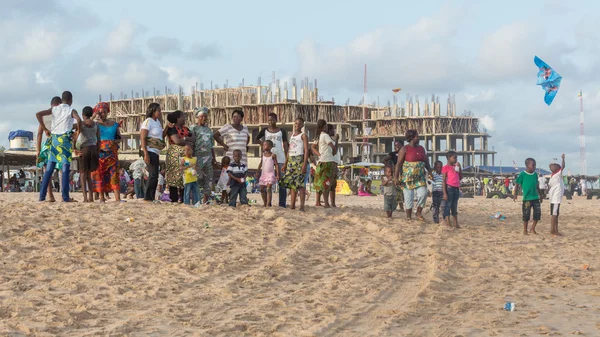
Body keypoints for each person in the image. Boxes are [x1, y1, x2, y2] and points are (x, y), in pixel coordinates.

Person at [36, 91, 82, 202]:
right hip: (65, 140)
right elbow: (79, 119)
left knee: (49, 169)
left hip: (55, 139)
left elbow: (38, 114)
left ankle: (42, 196)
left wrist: (45, 128)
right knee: (65, 167)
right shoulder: (71, 110)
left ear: (62, 100)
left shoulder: (54, 109)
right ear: (71, 100)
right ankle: (65, 197)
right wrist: (78, 132)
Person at [394, 129, 432, 221]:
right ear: (411, 138)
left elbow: (426, 161)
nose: (418, 138)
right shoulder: (404, 149)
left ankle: (418, 212)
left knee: (423, 194)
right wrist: (396, 177)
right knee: (408, 197)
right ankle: (408, 216)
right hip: (407, 177)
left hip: (420, 177)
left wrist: (430, 171)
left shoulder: (421, 148)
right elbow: (399, 164)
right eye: (416, 136)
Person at [91, 102, 122, 203]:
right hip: (99, 153)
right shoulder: (95, 125)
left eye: (103, 112)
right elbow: (86, 124)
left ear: (107, 112)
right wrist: (94, 116)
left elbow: (119, 138)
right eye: (99, 113)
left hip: (112, 154)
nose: (102, 114)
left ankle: (118, 198)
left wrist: (113, 142)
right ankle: (101, 198)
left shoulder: (114, 124)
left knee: (114, 175)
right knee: (99, 174)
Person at [256, 112, 289, 207]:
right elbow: (257, 138)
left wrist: (287, 160)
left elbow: (286, 145)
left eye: (272, 120)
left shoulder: (281, 131)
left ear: (276, 120)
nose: (270, 122)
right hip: (268, 158)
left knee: (282, 182)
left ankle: (282, 204)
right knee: (266, 182)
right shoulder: (265, 131)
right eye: (269, 120)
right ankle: (267, 203)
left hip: (280, 158)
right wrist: (264, 145)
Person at [165, 110, 195, 203]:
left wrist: (184, 140)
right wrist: (187, 140)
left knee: (185, 176)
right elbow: (176, 141)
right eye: (183, 116)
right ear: (178, 118)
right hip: (174, 155)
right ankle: (173, 198)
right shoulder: (172, 128)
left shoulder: (186, 129)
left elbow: (194, 138)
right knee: (174, 176)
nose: (184, 118)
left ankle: (183, 198)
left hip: (185, 155)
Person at [36, 96, 62, 201]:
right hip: (59, 143)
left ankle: (50, 195)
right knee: (62, 169)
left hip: (47, 145)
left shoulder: (44, 117)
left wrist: (38, 150)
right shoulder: (61, 115)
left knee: (48, 171)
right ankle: (64, 194)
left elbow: (39, 134)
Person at [280, 117, 309, 211]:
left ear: (302, 125)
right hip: (291, 160)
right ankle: (292, 205)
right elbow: (289, 150)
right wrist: (285, 163)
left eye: (299, 123)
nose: (297, 125)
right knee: (292, 184)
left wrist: (304, 164)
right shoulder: (291, 135)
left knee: (300, 184)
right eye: (296, 123)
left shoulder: (303, 136)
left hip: (299, 159)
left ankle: (302, 206)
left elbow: (306, 150)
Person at [190, 107, 217, 204]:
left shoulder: (209, 130)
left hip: (208, 157)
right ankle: (195, 200)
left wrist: (214, 158)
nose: (204, 118)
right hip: (197, 157)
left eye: (205, 116)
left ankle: (205, 201)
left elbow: (212, 146)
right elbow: (190, 143)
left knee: (209, 179)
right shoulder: (193, 128)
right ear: (197, 117)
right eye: (202, 116)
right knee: (195, 178)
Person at [512, 158, 543, 235]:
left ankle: (533, 228)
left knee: (537, 214)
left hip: (535, 197)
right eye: (533, 165)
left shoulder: (535, 174)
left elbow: (537, 185)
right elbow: (517, 184)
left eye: (535, 165)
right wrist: (515, 194)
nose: (534, 167)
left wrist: (541, 194)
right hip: (527, 199)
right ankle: (525, 230)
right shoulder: (522, 174)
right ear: (527, 165)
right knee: (526, 215)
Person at [311, 119, 337, 208]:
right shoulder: (325, 135)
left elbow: (313, 147)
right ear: (323, 127)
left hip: (321, 161)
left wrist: (319, 154)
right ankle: (326, 203)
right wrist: (334, 151)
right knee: (326, 183)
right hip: (328, 161)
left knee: (320, 182)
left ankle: (320, 202)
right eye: (325, 126)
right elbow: (332, 146)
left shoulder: (318, 136)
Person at [140, 103, 164, 202]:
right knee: (153, 174)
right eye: (158, 110)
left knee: (155, 174)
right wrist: (145, 153)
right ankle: (147, 197)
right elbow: (143, 137)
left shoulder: (157, 122)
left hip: (155, 150)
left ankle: (151, 196)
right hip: (148, 150)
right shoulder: (148, 121)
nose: (160, 112)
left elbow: (160, 136)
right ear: (153, 111)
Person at [76, 106, 99, 202]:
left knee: (82, 173)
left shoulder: (81, 124)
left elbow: (74, 132)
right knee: (89, 174)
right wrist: (98, 150)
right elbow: (99, 138)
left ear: (83, 115)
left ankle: (85, 197)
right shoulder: (96, 124)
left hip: (84, 149)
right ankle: (91, 197)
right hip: (93, 148)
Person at [383, 140, 405, 211]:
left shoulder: (405, 153)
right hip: (396, 174)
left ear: (402, 146)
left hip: (404, 173)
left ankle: (401, 206)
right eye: (395, 145)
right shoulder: (392, 154)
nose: (396, 147)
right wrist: (390, 167)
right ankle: (400, 207)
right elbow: (384, 160)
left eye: (398, 145)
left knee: (401, 190)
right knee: (398, 189)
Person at [256, 140, 279, 207]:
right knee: (262, 189)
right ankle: (265, 202)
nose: (263, 146)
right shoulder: (263, 155)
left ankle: (268, 203)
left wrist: (277, 174)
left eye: (265, 145)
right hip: (263, 174)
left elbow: (276, 165)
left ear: (270, 147)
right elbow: (260, 163)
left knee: (269, 188)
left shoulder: (273, 155)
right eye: (263, 145)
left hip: (270, 174)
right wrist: (257, 171)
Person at [442, 151, 461, 228]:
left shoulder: (455, 167)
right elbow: (443, 181)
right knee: (448, 205)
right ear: (449, 158)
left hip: (456, 188)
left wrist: (460, 168)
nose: (456, 159)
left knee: (454, 205)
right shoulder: (445, 168)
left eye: (456, 157)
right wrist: (445, 193)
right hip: (449, 188)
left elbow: (460, 177)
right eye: (454, 157)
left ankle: (455, 223)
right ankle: (448, 221)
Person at [548, 154, 566, 235]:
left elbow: (562, 166)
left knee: (555, 214)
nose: (552, 166)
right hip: (555, 198)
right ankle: (553, 230)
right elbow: (563, 166)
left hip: (554, 198)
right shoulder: (556, 175)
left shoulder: (555, 175)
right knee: (554, 215)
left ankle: (556, 229)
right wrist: (563, 158)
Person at [327, 124, 340, 207]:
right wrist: (337, 141)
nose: (334, 132)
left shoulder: (331, 139)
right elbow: (334, 150)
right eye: (333, 130)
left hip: (334, 162)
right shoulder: (328, 139)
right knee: (329, 184)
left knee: (332, 185)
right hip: (330, 162)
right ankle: (329, 202)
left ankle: (333, 203)